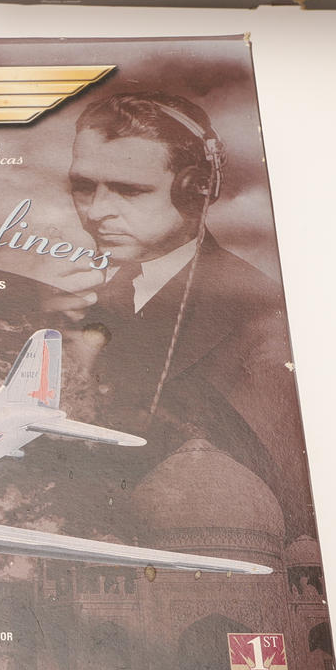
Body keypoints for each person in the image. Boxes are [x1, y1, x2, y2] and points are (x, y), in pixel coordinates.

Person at [46, 91, 311, 536]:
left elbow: (284, 500)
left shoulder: (264, 318)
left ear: (195, 189)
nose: (96, 211)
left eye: (130, 189)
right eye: (83, 186)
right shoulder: (82, 303)